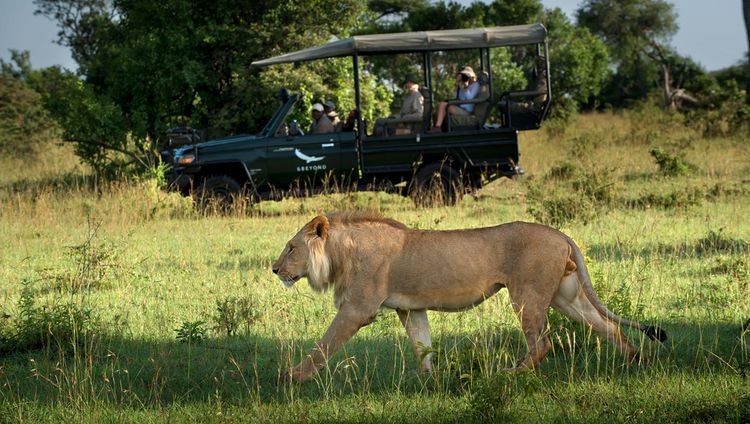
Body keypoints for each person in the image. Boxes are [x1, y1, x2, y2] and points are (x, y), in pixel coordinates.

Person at [430, 66, 479, 133]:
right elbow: (457, 97)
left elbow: (470, 98)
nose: (466, 77)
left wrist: (466, 87)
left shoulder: (475, 85)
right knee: (439, 108)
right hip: (460, 108)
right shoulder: (462, 86)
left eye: (467, 75)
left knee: (443, 105)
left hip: (467, 111)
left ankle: (437, 127)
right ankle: (437, 128)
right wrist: (458, 84)